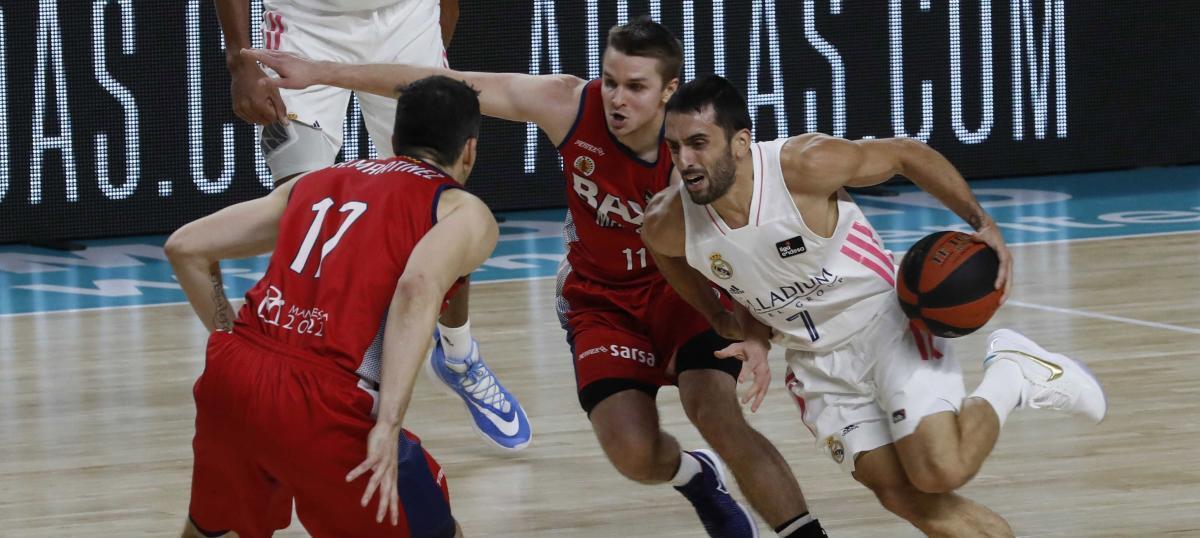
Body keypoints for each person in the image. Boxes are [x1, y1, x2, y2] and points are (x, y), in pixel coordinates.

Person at [245, 16, 828, 538]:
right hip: (600, 298)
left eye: (636, 87)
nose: (617, 98)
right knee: (634, 454)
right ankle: (694, 476)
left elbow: (757, 241)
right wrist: (320, 70)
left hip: (685, 294)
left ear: (670, 92)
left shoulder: (701, 146)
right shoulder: (569, 104)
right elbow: (435, 84)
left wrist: (755, 331)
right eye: (611, 80)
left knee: (718, 415)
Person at [641, 74, 1109, 537]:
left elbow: (906, 154)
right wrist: (729, 322)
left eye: (699, 143)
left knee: (939, 472)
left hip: (885, 327)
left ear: (740, 143)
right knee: (902, 494)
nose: (685, 160)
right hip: (815, 364)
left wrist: (980, 221)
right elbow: (683, 258)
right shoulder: (670, 222)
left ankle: (1013, 372)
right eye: (675, 146)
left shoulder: (803, 167)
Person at [167, 75, 493, 537]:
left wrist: (228, 336)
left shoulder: (316, 180)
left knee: (208, 529)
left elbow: (186, 248)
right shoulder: (462, 210)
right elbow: (417, 288)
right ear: (469, 151)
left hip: (234, 374)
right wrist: (388, 421)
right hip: (328, 400)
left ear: (396, 139)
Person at [213, 0, 529, 450]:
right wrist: (239, 58)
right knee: (304, 209)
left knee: (437, 204)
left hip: (407, 19)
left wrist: (432, 42)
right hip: (304, 22)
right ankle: (320, 368)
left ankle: (458, 356)